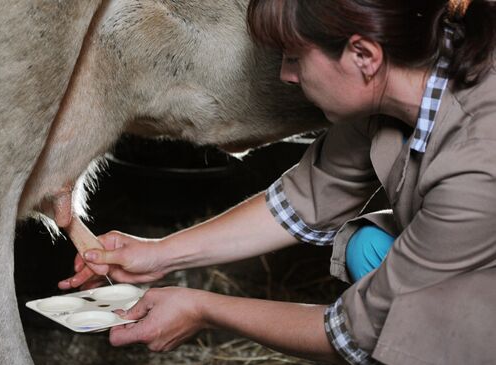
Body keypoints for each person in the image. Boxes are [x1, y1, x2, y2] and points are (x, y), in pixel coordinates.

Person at [59, 0, 496, 363]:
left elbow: (353, 334)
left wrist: (203, 308)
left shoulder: (478, 161)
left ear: (363, 55)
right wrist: (159, 254)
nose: (287, 75)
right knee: (369, 249)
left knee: (406, 325)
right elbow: (303, 200)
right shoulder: (398, 78)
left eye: (294, 56)